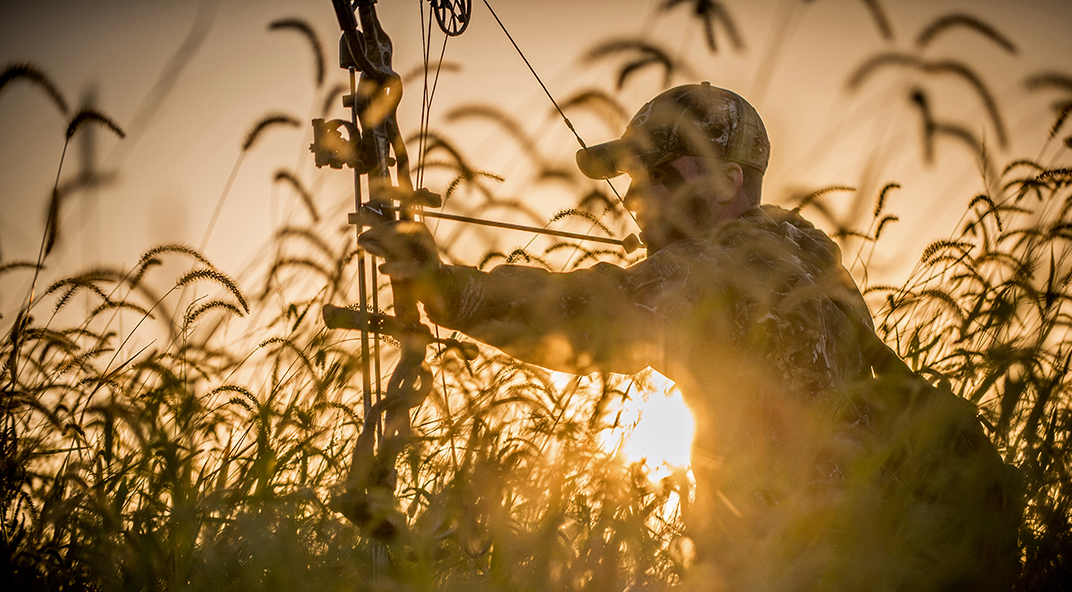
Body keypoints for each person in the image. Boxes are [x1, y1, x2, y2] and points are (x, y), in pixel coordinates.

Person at [362, 82, 877, 544]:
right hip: (868, 552)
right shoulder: (812, 258)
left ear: (726, 182)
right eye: (630, 178)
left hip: (784, 573)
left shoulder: (721, 264)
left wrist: (446, 287)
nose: (632, 197)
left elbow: (589, 313)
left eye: (657, 173)